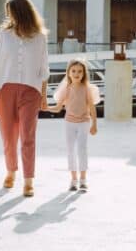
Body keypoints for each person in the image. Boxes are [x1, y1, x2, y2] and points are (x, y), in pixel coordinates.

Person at [0, 0, 49, 197]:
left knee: (28, 136)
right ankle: (11, 171)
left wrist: (44, 95)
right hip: (6, 89)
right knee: (8, 136)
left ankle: (28, 180)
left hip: (31, 90)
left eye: (10, 11)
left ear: (20, 12)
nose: (8, 15)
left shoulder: (40, 37)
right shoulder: (4, 35)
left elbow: (44, 67)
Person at [47, 58, 101, 192]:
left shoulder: (87, 88)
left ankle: (83, 179)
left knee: (82, 149)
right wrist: (45, 108)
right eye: (74, 71)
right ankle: (73, 179)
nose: (77, 74)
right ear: (69, 73)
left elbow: (92, 107)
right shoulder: (66, 88)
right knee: (70, 150)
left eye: (80, 71)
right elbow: (58, 108)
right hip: (69, 123)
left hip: (84, 122)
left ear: (83, 73)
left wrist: (94, 124)